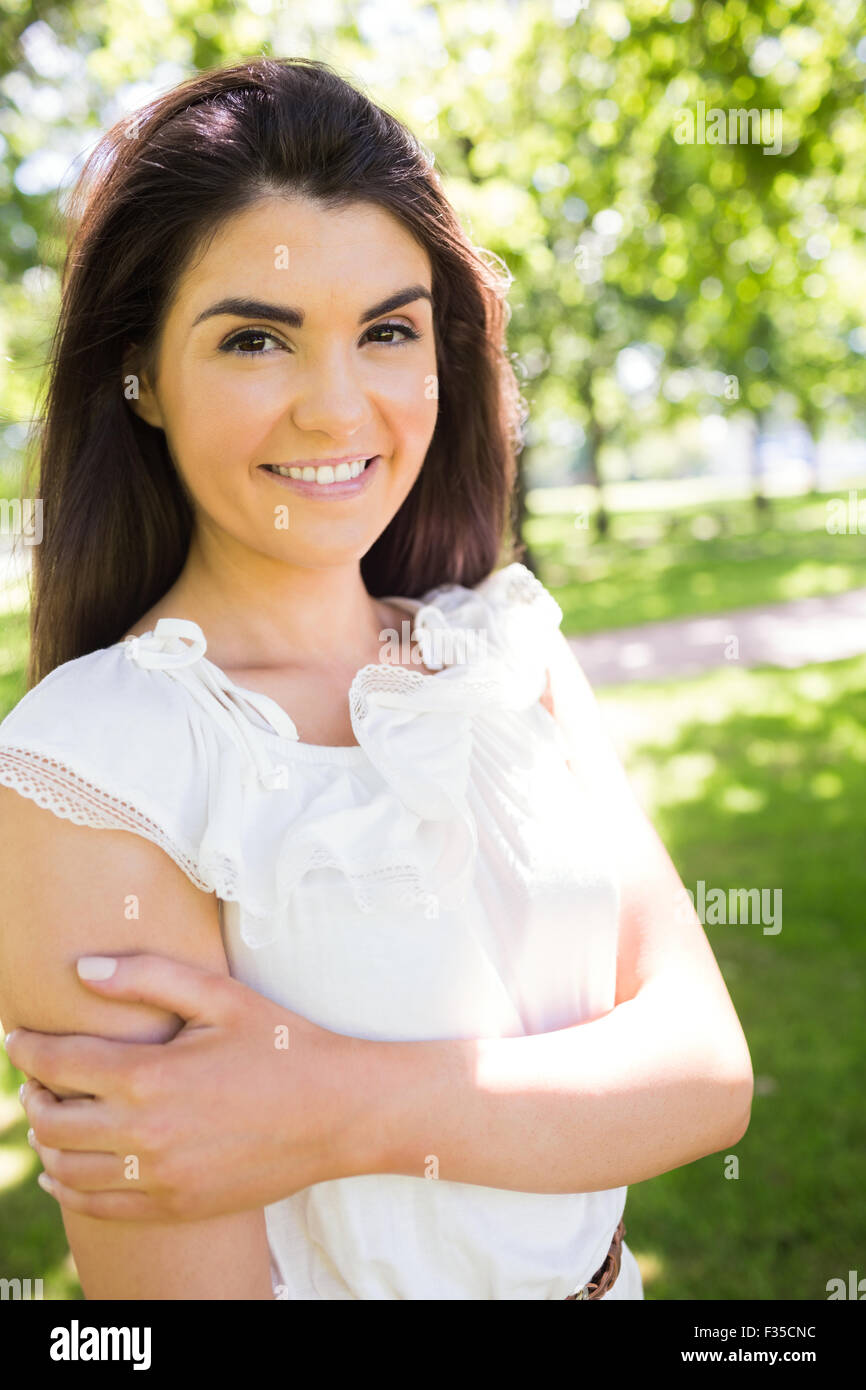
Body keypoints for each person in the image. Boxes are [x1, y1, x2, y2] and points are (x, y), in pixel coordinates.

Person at [0, 56, 753, 1301]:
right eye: (255, 338)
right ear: (139, 376)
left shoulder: (505, 649)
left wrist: (329, 1103)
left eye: (387, 331)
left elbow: (704, 1075)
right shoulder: (91, 771)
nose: (335, 408)